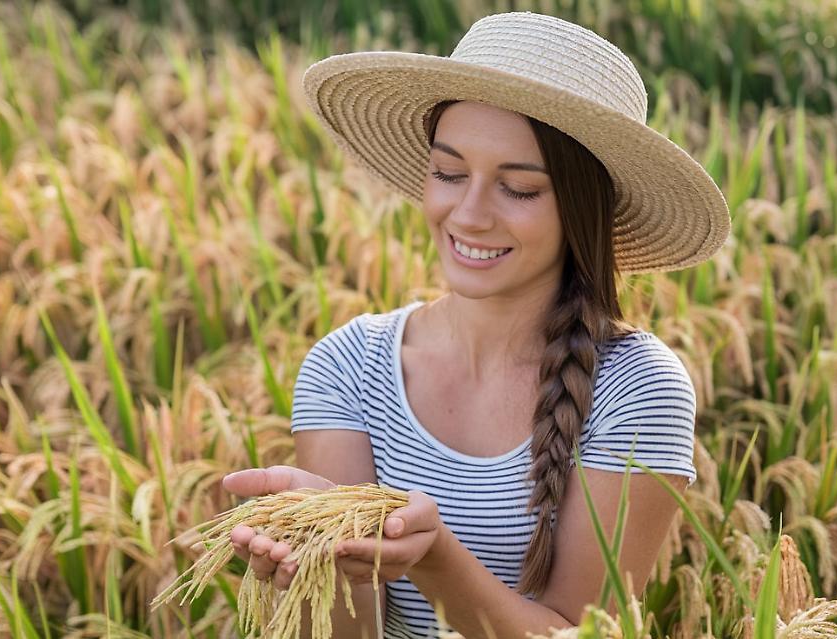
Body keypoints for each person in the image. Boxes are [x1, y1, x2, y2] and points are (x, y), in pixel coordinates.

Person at [222, 11, 730, 639]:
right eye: (450, 173)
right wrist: (325, 555)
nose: (468, 214)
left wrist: (435, 556)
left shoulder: (638, 389)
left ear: (582, 211)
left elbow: (580, 632)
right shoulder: (348, 366)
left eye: (518, 189)